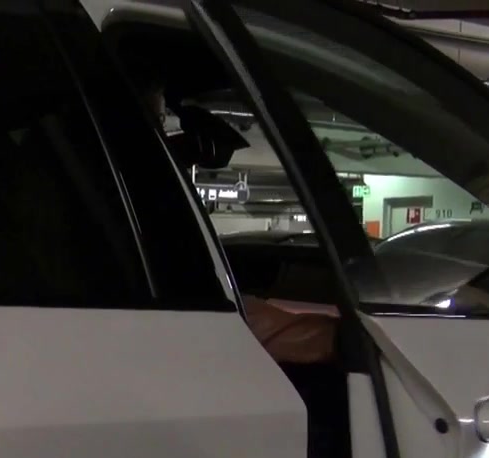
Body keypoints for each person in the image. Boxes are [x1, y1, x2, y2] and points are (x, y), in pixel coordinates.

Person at [137, 79, 340, 364]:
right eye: (157, 119)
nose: (167, 135)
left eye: (161, 120)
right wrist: (343, 341)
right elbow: (211, 310)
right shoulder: (144, 198)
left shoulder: (129, 198)